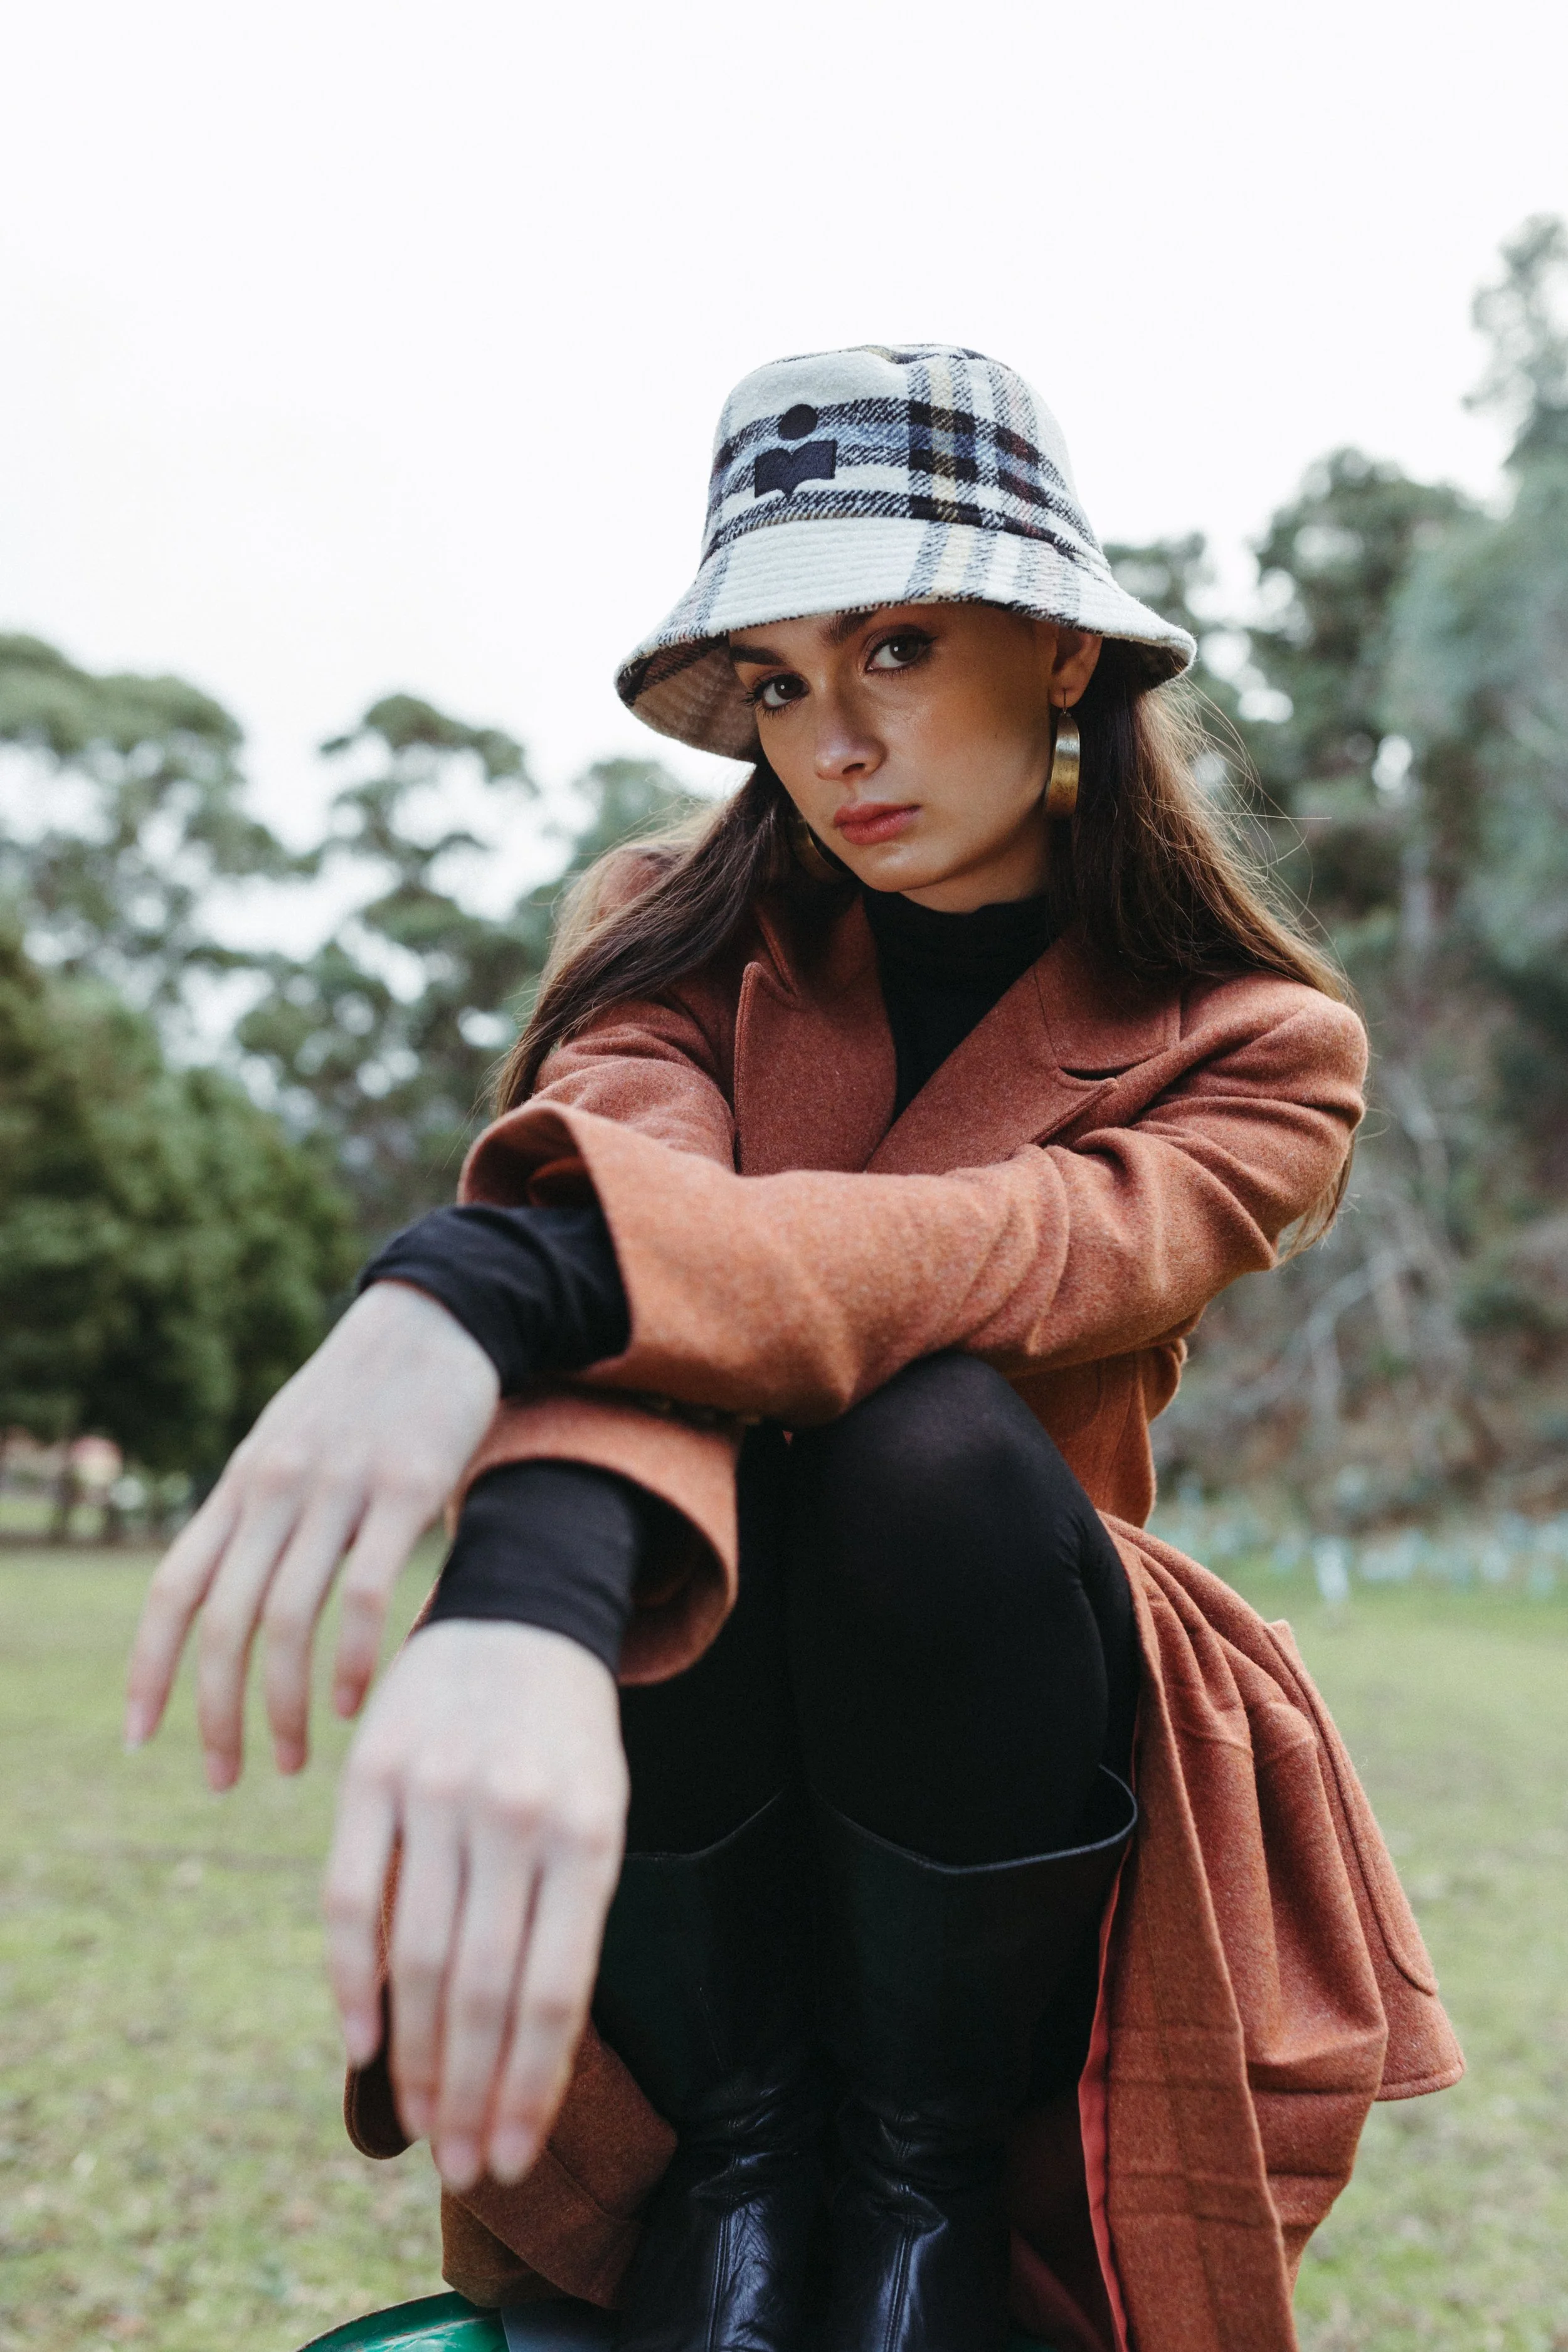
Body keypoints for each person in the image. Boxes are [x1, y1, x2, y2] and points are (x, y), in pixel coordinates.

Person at [125, 346, 1462, 2352]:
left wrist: (495, 1286)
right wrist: (526, 1583)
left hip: (1011, 1685)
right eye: (771, 681)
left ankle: (921, 2181)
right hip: (695, 1664)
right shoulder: (659, 923)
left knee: (913, 1426)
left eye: (896, 644)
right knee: (733, 1462)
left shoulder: (1257, 1044)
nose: (831, 741)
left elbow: (981, 1256)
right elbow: (635, 1180)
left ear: (1065, 652)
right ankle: (736, 2169)